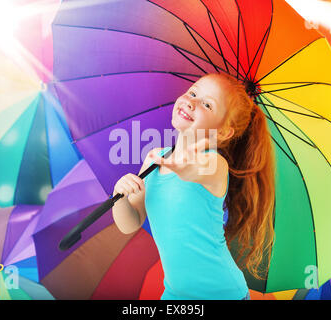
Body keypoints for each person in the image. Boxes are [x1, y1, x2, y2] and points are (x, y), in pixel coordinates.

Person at [111, 72, 276, 300]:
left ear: (222, 132)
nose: (191, 102)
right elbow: (131, 222)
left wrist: (181, 165)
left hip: (223, 294)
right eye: (193, 92)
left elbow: (194, 170)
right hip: (175, 294)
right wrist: (119, 197)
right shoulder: (153, 159)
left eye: (207, 105)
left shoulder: (215, 164)